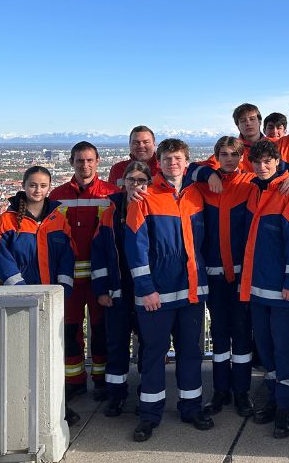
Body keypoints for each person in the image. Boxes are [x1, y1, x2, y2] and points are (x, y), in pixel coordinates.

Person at [123, 138, 213, 442]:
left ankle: (191, 407)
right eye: (166, 158)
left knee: (191, 352)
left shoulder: (196, 195)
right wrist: (145, 288)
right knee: (153, 354)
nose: (172, 163)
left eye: (178, 158)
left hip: (191, 292)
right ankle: (149, 414)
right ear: (157, 163)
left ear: (186, 162)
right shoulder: (144, 198)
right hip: (156, 295)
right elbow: (135, 248)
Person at [0, 165, 77, 423]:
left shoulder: (58, 219)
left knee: (53, 354)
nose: (37, 190)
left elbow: (67, 255)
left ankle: (57, 406)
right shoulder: (6, 221)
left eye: (42, 185)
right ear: (24, 186)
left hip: (52, 299)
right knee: (24, 355)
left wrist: (62, 289)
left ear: (49, 187)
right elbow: (1, 259)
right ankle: (26, 410)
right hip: (22, 301)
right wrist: (23, 291)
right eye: (32, 185)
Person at [239, 139, 289, 439]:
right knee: (266, 347)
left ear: (279, 162)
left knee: (285, 348)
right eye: (257, 162)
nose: (262, 166)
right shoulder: (255, 191)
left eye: (268, 160)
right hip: (257, 288)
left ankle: (285, 407)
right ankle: (273, 393)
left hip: (282, 290)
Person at [51, 141, 119, 401]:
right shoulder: (56, 195)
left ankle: (100, 379)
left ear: (98, 161)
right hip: (68, 279)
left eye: (89, 160)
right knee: (69, 331)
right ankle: (74, 380)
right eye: (79, 160)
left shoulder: (111, 193)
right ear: (71, 162)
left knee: (102, 330)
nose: (85, 165)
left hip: (100, 278)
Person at [198, 136, 258, 418]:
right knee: (219, 335)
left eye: (235, 154)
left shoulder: (249, 184)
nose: (230, 159)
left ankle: (242, 392)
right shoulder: (204, 184)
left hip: (241, 274)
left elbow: (279, 175)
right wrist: (208, 173)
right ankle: (221, 390)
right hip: (214, 275)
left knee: (242, 333)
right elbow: (183, 170)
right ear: (216, 157)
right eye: (224, 155)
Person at [91, 160, 151, 418]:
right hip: (118, 288)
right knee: (116, 344)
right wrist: (102, 289)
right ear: (123, 182)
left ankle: (147, 392)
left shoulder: (154, 207)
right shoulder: (111, 211)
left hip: (145, 289)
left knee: (149, 343)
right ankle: (116, 395)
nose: (135, 185)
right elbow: (100, 252)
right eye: (131, 180)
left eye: (141, 181)